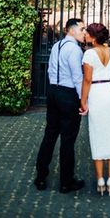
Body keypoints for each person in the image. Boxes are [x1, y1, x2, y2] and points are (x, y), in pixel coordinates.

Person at [34, 18, 87, 193]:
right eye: (81, 29)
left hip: (53, 93)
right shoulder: (75, 50)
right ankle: (66, 182)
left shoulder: (56, 46)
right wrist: (83, 101)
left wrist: (53, 90)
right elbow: (78, 78)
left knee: (49, 134)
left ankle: (40, 178)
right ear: (70, 30)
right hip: (68, 95)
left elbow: (50, 70)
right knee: (68, 139)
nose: (84, 32)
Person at [79, 22, 110, 196]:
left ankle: (100, 180)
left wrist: (83, 101)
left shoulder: (89, 54)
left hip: (97, 94)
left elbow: (87, 80)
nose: (85, 35)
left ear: (93, 37)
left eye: (87, 33)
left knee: (98, 134)